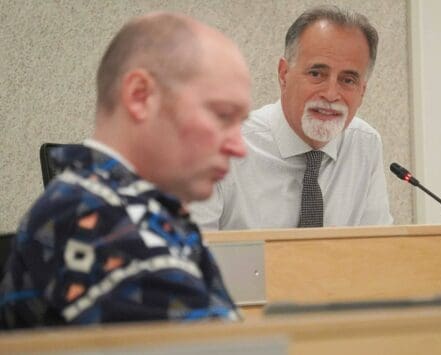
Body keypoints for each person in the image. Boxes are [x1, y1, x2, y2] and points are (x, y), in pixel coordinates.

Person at [0, 12, 251, 329]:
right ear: (140, 96)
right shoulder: (103, 226)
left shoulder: (123, 208)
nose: (238, 147)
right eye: (223, 115)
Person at [191, 6, 393, 230]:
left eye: (348, 80)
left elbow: (378, 249)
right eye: (317, 74)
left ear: (362, 90)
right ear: (283, 74)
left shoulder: (365, 144)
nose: (331, 94)